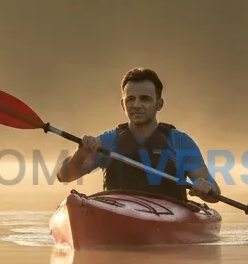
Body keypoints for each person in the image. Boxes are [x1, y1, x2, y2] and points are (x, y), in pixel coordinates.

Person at [55, 68, 221, 203]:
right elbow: (64, 176)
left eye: (145, 99)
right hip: (118, 212)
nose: (136, 105)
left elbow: (214, 192)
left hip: (169, 215)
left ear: (159, 104)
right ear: (122, 104)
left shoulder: (180, 142)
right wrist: (80, 153)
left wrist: (204, 187)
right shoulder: (108, 140)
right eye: (130, 99)